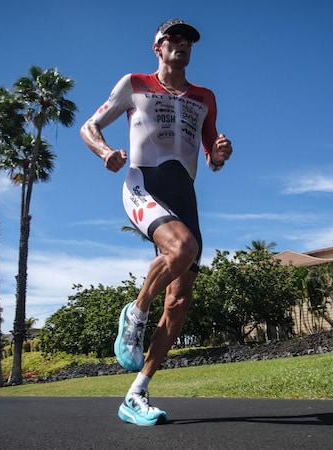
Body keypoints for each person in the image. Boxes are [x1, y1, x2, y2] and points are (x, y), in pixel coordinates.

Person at [80, 18, 233, 426]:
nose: (181, 45)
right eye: (173, 39)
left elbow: (210, 155)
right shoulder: (135, 83)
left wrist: (219, 154)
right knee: (183, 248)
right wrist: (104, 152)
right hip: (143, 185)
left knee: (180, 302)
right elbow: (89, 126)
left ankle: (136, 393)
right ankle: (136, 312)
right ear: (158, 47)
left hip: (186, 196)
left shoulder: (205, 98)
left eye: (188, 41)